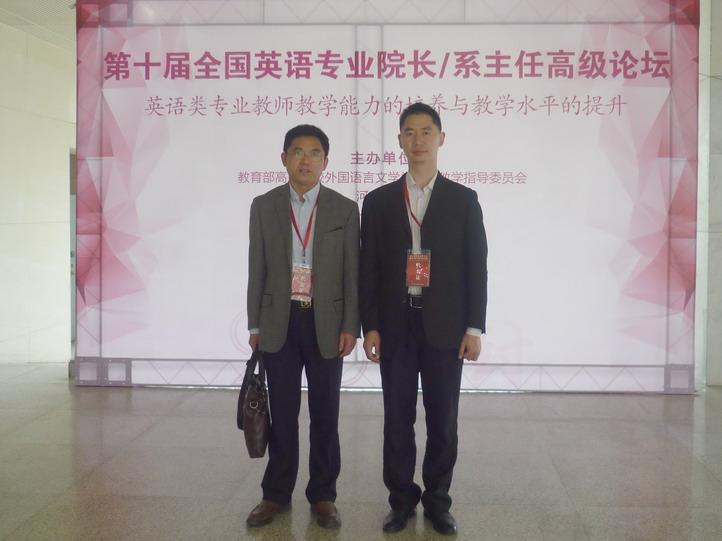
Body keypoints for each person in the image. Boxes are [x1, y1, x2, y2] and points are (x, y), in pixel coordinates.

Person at [359, 103, 488, 535]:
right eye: (410, 132)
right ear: (399, 140)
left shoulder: (463, 200)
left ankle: (437, 502)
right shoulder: (378, 201)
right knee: (397, 421)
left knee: (443, 421)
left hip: (446, 328)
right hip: (395, 325)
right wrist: (370, 325)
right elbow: (369, 269)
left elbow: (476, 267)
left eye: (426, 131)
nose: (418, 140)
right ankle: (400, 501)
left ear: (441, 139)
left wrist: (473, 328)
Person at [246, 124, 360, 529]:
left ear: (326, 162)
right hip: (279, 320)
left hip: (326, 322)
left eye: (314, 153)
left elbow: (352, 273)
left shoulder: (344, 209)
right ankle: (275, 493)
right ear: (284, 159)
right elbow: (256, 268)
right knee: (283, 413)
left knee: (326, 414)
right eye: (297, 152)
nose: (305, 160)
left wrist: (351, 325)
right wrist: (255, 324)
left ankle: (323, 495)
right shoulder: (264, 205)